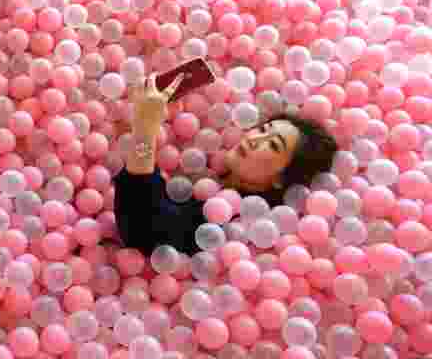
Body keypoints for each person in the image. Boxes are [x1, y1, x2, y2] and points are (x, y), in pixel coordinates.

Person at [112, 73, 339, 256]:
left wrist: (145, 126)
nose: (254, 139)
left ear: (282, 178)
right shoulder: (210, 177)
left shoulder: (235, 228)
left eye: (273, 145)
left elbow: (143, 231)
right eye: (262, 130)